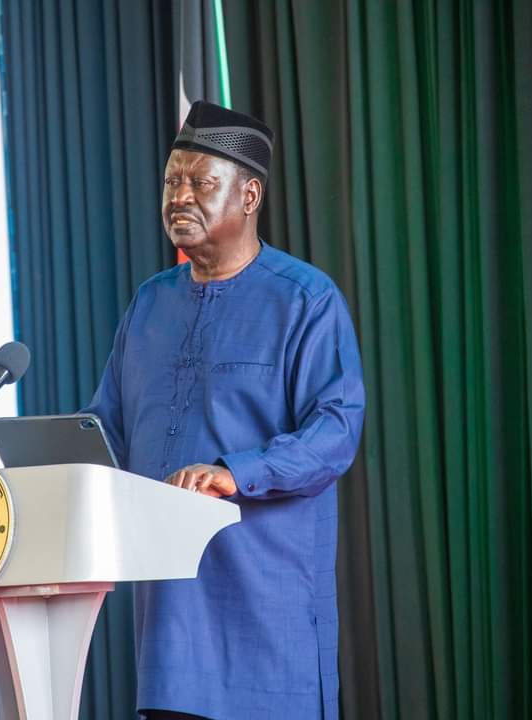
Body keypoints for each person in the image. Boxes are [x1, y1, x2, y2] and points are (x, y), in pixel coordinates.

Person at [83, 100, 365, 720]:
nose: (179, 196)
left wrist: (236, 473)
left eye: (200, 183)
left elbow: (336, 431)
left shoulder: (306, 300)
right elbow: (108, 427)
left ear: (249, 195)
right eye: (171, 182)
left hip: (266, 611)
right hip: (170, 623)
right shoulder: (150, 304)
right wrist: (64, 463)